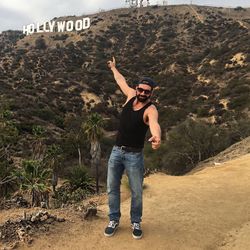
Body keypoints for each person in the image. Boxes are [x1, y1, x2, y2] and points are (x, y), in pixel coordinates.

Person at [104, 57, 161, 239]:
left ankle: (135, 221)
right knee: (112, 188)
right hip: (116, 152)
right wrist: (113, 68)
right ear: (137, 89)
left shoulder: (150, 109)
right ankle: (113, 219)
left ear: (151, 94)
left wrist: (157, 136)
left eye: (147, 91)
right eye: (141, 89)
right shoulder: (130, 96)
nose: (143, 92)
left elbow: (154, 123)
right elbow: (121, 80)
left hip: (134, 156)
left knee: (136, 191)